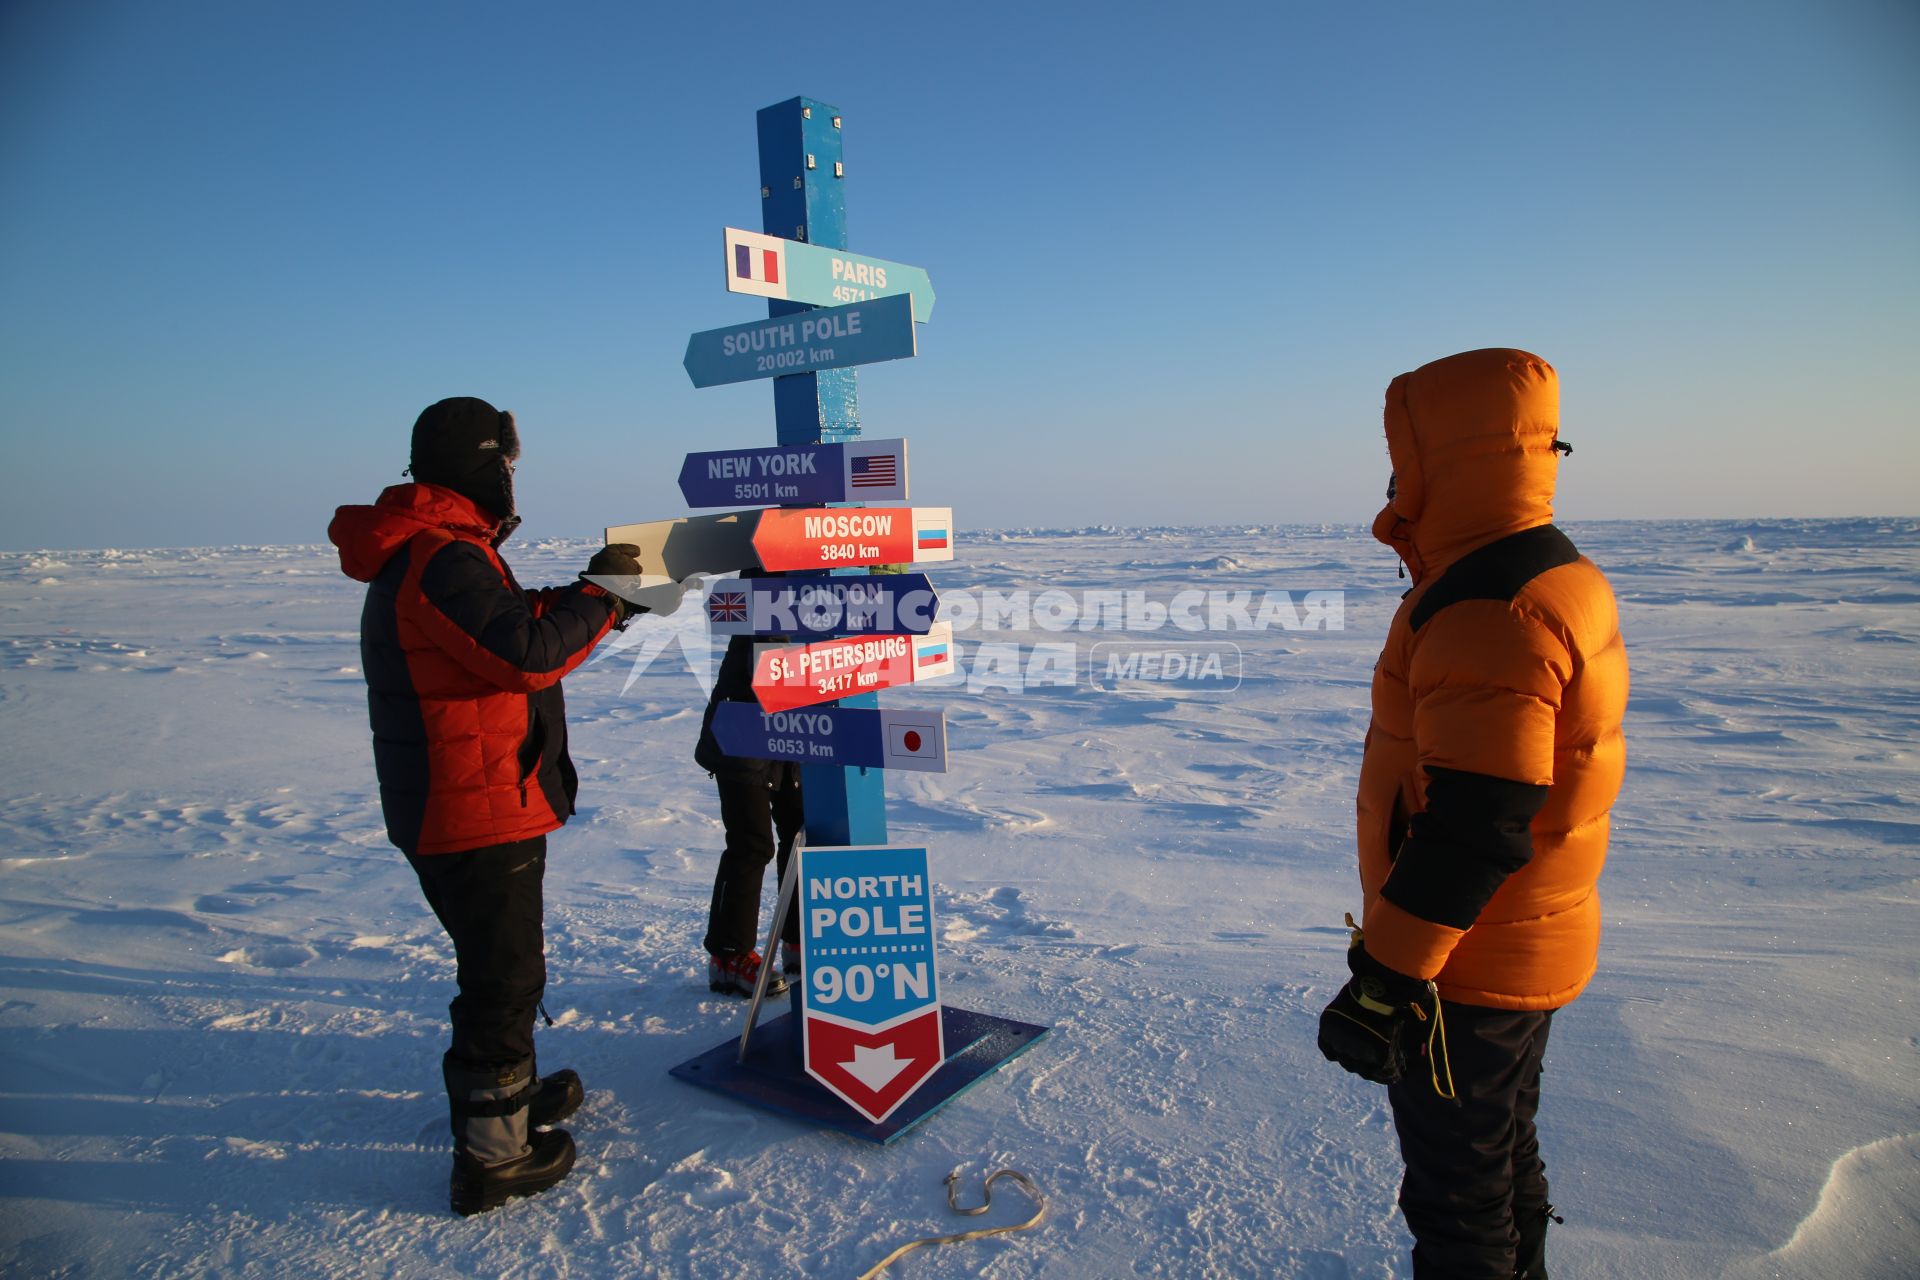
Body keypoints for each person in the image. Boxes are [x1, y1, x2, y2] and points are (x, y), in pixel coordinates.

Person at [1316, 349, 1628, 1278]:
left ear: (1439, 461)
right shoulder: (1542, 570)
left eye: (1401, 455)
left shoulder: (1490, 608)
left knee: (1457, 1201)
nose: (1391, 476)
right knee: (1499, 1163)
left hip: (1467, 966)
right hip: (1524, 938)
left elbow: (1479, 819)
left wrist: (1387, 978)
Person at [328, 396, 645, 1216]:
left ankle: (510, 1096)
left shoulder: (443, 552)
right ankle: (493, 1157)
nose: (512, 478)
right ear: (481, 464)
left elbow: (513, 622)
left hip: (468, 795)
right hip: (467, 803)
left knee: (505, 964)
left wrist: (596, 598)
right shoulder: (441, 557)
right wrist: (603, 599)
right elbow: (525, 653)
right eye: (506, 463)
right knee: (502, 979)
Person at [693, 599, 803, 997]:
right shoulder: (765, 581)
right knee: (751, 844)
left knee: (800, 835)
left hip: (800, 727)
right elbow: (770, 653)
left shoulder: (823, 576)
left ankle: (798, 940)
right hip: (743, 730)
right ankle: (729, 955)